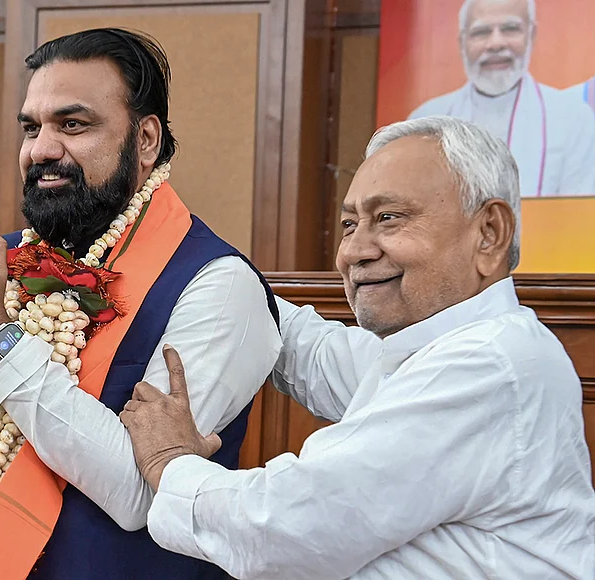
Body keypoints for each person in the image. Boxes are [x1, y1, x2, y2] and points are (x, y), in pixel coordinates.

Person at [0, 29, 281, 580]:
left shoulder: (217, 286)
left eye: (73, 124)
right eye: (32, 127)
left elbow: (141, 494)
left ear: (146, 139)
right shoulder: (5, 261)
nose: (41, 149)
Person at [120, 116, 595, 579]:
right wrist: (198, 275)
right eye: (349, 225)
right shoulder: (432, 349)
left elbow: (284, 529)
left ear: (489, 233)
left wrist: (169, 461)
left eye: (388, 219)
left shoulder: (489, 364)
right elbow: (310, 347)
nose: (354, 251)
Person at [409, 0, 595, 197]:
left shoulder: (574, 117)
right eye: (481, 32)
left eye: (510, 29)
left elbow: (577, 214)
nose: (495, 43)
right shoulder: (424, 121)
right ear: (462, 43)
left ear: (531, 35)